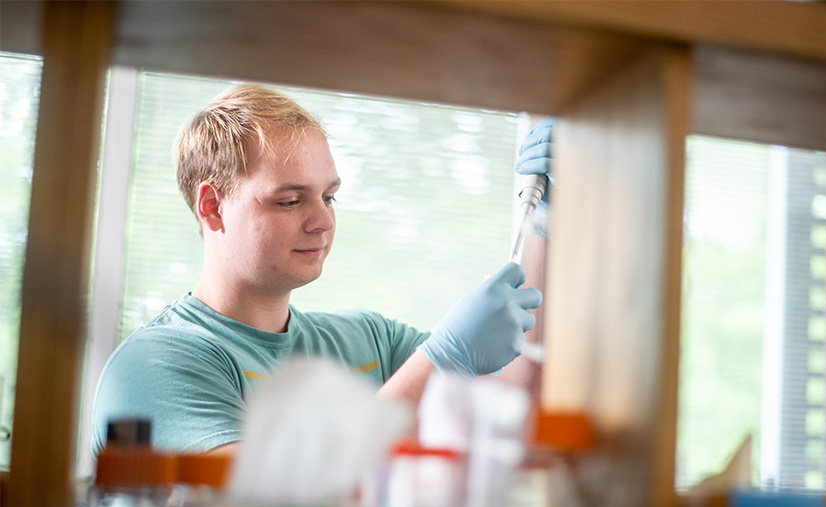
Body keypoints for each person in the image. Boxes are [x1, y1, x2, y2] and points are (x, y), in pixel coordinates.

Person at [90, 85, 553, 455]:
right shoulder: (154, 365)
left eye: (328, 196)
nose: (323, 220)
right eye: (290, 201)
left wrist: (544, 226)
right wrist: (444, 358)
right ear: (212, 207)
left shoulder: (371, 342)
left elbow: (515, 413)